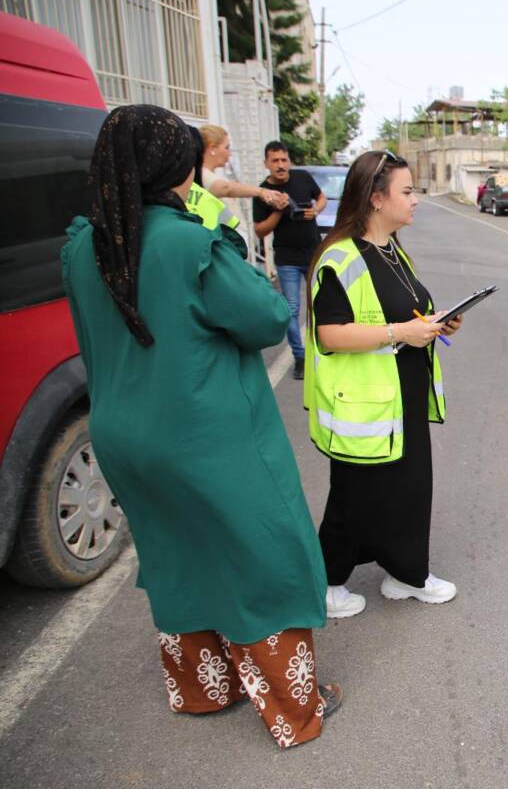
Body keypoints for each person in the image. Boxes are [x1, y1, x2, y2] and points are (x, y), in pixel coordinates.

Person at [60, 105, 339, 748]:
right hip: (205, 434)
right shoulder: (189, 241)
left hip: (124, 435)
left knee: (178, 551)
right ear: (171, 168)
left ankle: (204, 689)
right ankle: (292, 709)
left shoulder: (84, 244)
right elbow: (267, 319)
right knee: (266, 554)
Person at [304, 150, 464, 619]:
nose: (416, 200)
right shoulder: (340, 257)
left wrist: (435, 325)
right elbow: (329, 334)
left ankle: (407, 574)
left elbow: (402, 312)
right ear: (376, 198)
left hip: (403, 395)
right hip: (363, 404)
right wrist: (401, 333)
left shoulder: (393, 249)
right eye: (408, 191)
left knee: (411, 488)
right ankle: (327, 583)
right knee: (356, 497)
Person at [253, 141, 326, 380]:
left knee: (323, 305)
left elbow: (321, 197)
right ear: (266, 164)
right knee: (291, 310)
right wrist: (278, 209)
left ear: (289, 161)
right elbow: (260, 231)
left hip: (314, 253)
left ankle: (324, 352)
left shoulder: (303, 178)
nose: (280, 165)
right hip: (287, 259)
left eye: (284, 160)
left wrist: (315, 211)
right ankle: (300, 356)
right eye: (275, 161)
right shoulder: (263, 192)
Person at [197, 123, 288, 209]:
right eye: (227, 147)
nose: (229, 153)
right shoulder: (203, 175)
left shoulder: (209, 175)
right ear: (213, 148)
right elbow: (226, 188)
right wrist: (261, 192)